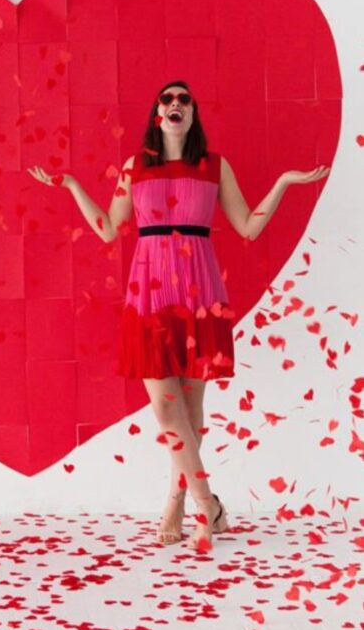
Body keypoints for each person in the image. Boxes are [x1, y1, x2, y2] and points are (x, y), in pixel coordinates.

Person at [27, 80, 330, 552]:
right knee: (166, 406)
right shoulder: (135, 167)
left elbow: (249, 225)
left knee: (189, 409)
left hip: (200, 294)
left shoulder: (214, 167)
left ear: (192, 114)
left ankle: (176, 500)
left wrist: (285, 183)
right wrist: (70, 186)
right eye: (167, 99)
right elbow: (109, 229)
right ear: (156, 114)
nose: (175, 105)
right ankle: (209, 504)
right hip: (148, 295)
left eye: (183, 99)